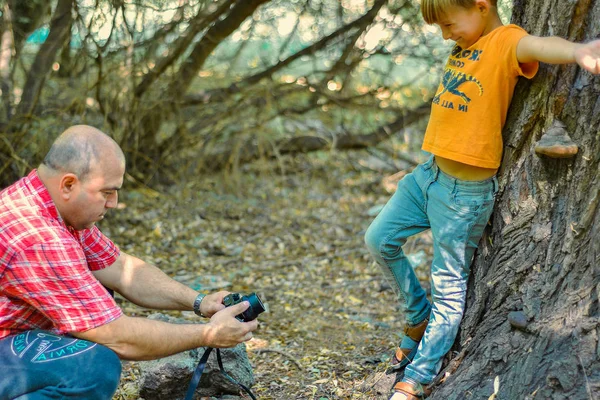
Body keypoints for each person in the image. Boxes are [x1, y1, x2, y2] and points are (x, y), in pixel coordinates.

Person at [364, 1, 600, 399]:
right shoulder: (465, 42)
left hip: (463, 196)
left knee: (449, 288)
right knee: (378, 240)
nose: (444, 35)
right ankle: (416, 314)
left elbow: (541, 46)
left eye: (449, 24)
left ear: (481, 6)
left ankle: (418, 375)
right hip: (428, 175)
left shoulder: (504, 41)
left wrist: (578, 51)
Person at [0, 125, 259, 399]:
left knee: (98, 300)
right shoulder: (40, 238)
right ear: (68, 184)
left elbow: (122, 269)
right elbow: (117, 335)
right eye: (107, 192)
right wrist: (208, 334)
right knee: (92, 368)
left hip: (15, 334)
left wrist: (200, 301)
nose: (114, 203)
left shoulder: (52, 204)